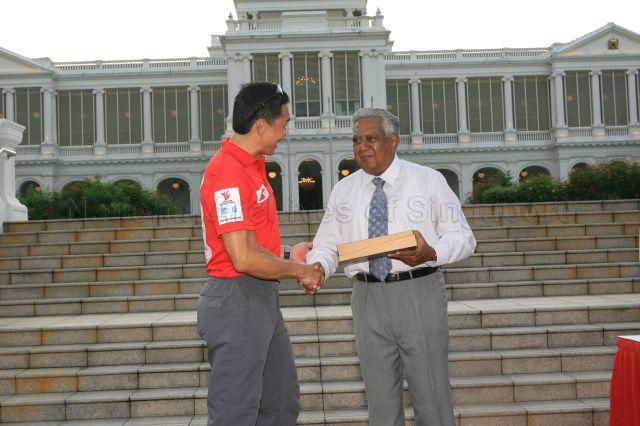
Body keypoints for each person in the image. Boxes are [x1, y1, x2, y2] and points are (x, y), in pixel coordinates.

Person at [306, 108, 476, 426]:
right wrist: (317, 267)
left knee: (433, 397)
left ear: (393, 140)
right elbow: (328, 244)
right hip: (367, 298)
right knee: (380, 402)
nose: (362, 146)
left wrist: (431, 252)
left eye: (371, 138)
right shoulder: (344, 190)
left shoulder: (428, 181)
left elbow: (464, 237)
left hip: (419, 293)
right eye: (356, 140)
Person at [197, 82, 324, 426]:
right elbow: (243, 258)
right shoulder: (228, 174)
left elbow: (249, 244)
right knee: (235, 413)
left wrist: (287, 255)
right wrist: (298, 271)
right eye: (284, 123)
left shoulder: (251, 166)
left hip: (258, 298)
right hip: (237, 298)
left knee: (281, 402)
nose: (285, 132)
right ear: (261, 126)